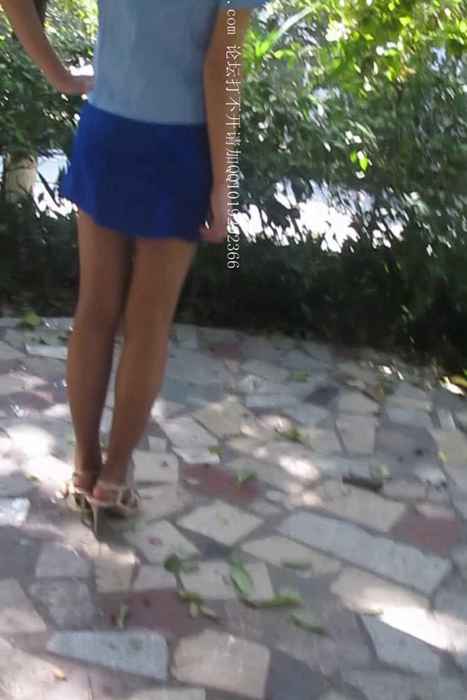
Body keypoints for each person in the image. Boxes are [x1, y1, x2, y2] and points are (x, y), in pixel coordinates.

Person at [1, 0, 268, 536]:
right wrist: (224, 180)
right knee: (148, 323)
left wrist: (60, 75)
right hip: (179, 145)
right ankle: (114, 477)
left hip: (107, 128)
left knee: (95, 308)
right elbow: (222, 65)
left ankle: (84, 466)